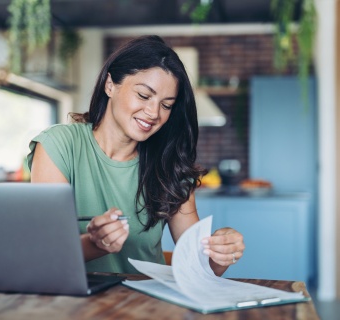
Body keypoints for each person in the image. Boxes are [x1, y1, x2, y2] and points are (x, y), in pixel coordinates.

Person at [27, 35, 245, 276]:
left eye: (166, 105)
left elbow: (200, 269)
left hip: (147, 305)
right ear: (110, 84)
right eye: (143, 95)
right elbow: (45, 253)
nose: (153, 113)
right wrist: (95, 243)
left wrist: (222, 254)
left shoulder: (170, 166)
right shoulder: (58, 145)